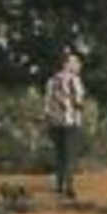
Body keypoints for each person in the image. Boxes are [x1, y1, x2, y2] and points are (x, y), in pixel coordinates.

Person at [43, 52, 86, 200]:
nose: (78, 65)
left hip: (55, 122)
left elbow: (47, 104)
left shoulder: (51, 80)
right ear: (66, 64)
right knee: (70, 155)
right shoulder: (74, 80)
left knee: (59, 154)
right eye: (75, 62)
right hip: (71, 121)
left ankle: (59, 184)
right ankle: (69, 186)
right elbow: (78, 102)